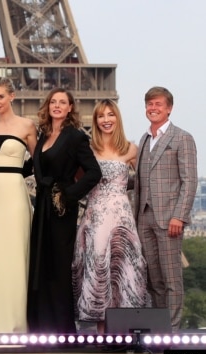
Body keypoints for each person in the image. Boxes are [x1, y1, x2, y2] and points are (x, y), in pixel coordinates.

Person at [27, 88, 102, 334]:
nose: (57, 106)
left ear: (70, 108)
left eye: (63, 102)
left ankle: (61, 328)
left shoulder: (74, 137)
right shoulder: (44, 134)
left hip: (60, 210)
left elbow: (94, 172)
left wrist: (68, 195)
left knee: (58, 267)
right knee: (42, 264)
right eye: (53, 102)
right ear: (48, 106)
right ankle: (40, 326)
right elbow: (32, 167)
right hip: (42, 208)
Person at [71, 99, 147, 334]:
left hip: (121, 217)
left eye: (110, 115)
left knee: (123, 268)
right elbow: (76, 180)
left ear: (117, 118)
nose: (106, 120)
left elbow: (144, 183)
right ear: (95, 120)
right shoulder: (87, 149)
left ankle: (123, 331)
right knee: (99, 266)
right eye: (101, 116)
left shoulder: (132, 149)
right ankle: (102, 332)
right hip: (96, 216)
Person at [0, 77, 38, 333]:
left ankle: (16, 323)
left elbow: (40, 162)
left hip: (14, 194)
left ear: (12, 96)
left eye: (0, 96)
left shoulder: (27, 125)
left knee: (15, 257)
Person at [134, 86, 197, 331]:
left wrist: (179, 216)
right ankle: (160, 327)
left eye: (158, 104)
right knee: (154, 279)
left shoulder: (182, 137)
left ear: (169, 108)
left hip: (170, 218)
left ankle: (172, 329)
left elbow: (189, 180)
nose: (153, 108)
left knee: (171, 279)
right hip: (144, 217)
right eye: (150, 104)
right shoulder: (144, 139)